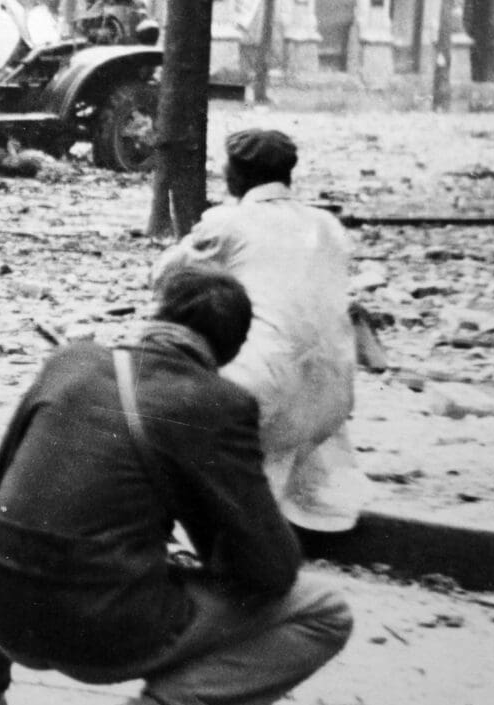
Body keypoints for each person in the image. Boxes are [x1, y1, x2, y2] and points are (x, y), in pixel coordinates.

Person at [0, 268, 352, 705]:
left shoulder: (70, 362)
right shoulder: (217, 403)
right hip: (99, 632)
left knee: (37, 526)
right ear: (229, 351)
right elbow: (272, 569)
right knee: (324, 611)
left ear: (158, 314)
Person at [152, 128, 376, 534]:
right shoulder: (328, 225)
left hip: (262, 395)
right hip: (333, 399)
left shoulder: (228, 222)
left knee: (177, 330)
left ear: (234, 175)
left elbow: (165, 280)